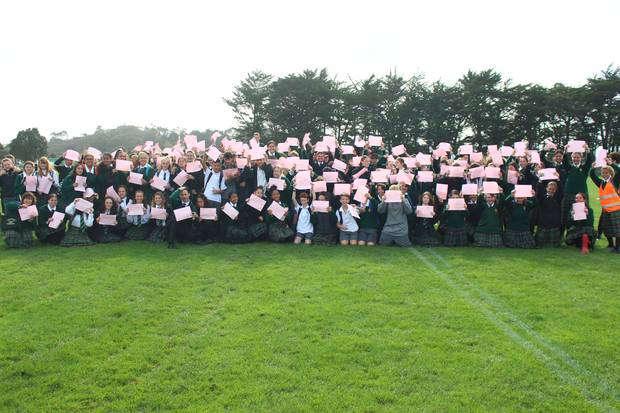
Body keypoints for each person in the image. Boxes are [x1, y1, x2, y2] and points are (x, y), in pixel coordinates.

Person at [589, 164, 620, 253]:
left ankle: (617, 248)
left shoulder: (614, 181)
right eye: (603, 172)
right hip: (606, 210)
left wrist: (611, 164)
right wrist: (593, 168)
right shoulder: (601, 183)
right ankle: (610, 244)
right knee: (606, 228)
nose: (604, 174)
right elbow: (592, 176)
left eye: (606, 172)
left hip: (616, 209)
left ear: (611, 173)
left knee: (617, 230)